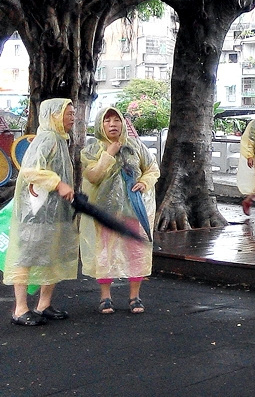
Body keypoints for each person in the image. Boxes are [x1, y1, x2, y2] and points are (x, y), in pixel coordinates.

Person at [4, 98, 78, 325]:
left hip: (53, 212)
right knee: (26, 256)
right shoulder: (46, 138)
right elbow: (30, 170)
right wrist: (58, 184)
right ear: (54, 115)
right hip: (35, 212)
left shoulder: (60, 139)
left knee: (51, 255)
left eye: (74, 113)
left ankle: (43, 304)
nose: (73, 118)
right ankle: (20, 308)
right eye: (68, 113)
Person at [78, 107, 158, 315]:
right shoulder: (91, 149)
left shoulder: (134, 146)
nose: (112, 124)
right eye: (107, 121)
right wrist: (108, 155)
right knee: (105, 251)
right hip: (104, 210)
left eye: (116, 120)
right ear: (100, 125)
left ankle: (134, 296)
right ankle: (106, 297)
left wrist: (144, 182)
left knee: (136, 250)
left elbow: (152, 168)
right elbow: (92, 176)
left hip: (132, 209)